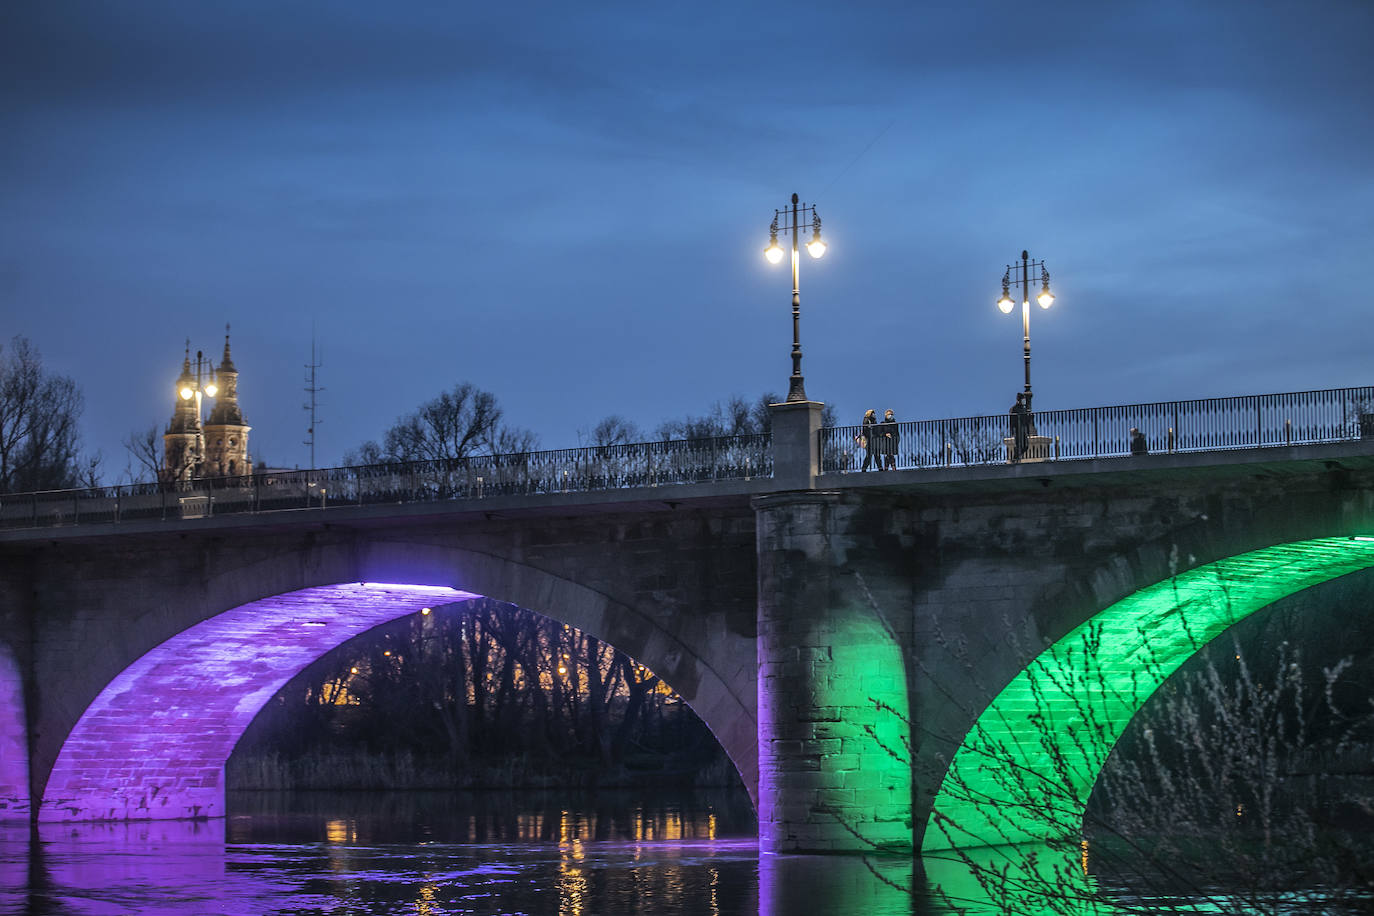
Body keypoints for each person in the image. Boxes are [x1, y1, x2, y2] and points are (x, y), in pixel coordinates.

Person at [1009, 393, 1029, 461]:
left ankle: (1016, 457)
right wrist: (1012, 430)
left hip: (1023, 428)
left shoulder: (1023, 409)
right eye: (1023, 399)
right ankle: (1016, 458)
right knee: (1019, 445)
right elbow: (1012, 420)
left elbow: (1026, 419)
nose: (1024, 401)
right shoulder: (1014, 408)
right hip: (1017, 428)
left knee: (1026, 446)